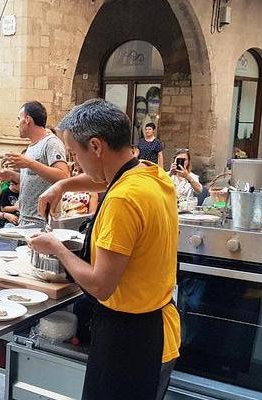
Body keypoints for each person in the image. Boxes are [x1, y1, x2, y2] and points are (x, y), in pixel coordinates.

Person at [31, 99, 180, 400]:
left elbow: (101, 285)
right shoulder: (152, 175)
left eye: (75, 154)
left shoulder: (123, 200)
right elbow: (105, 179)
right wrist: (61, 186)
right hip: (161, 330)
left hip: (131, 341)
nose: (75, 163)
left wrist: (58, 248)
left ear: (96, 147)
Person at [0, 101, 69, 225]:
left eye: (19, 119)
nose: (17, 125)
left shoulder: (51, 143)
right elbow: (36, 179)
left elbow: (63, 176)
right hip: (26, 219)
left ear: (27, 119)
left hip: (43, 222)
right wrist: (13, 176)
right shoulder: (31, 146)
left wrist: (29, 163)